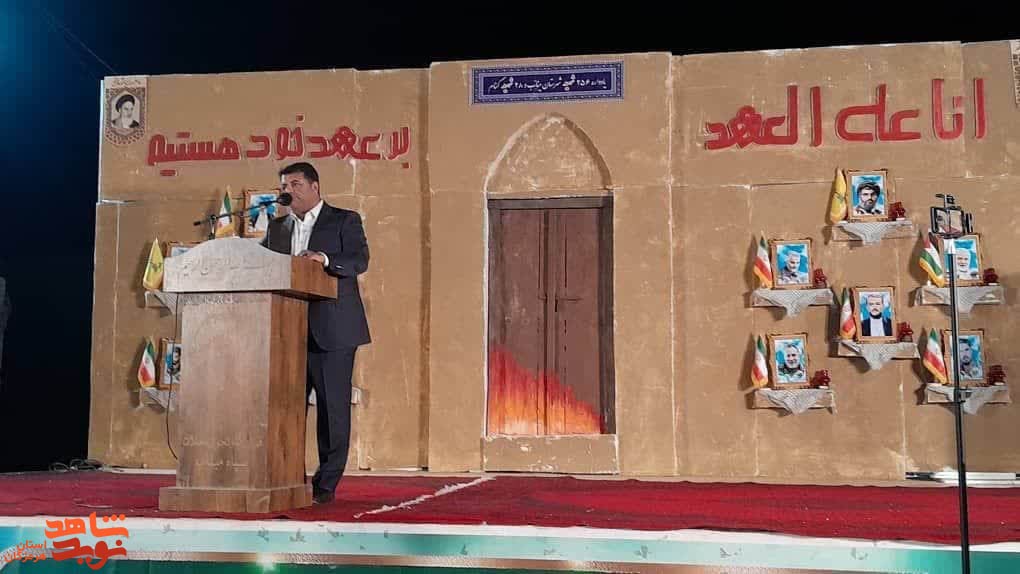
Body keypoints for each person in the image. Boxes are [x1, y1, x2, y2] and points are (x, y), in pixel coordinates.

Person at [260, 162, 370, 504]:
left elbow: (359, 260)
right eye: (284, 186)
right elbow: (262, 266)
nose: (288, 191)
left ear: (314, 187)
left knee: (332, 411)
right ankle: (287, 477)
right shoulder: (277, 228)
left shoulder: (344, 220)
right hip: (286, 332)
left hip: (333, 329)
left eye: (295, 184)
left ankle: (325, 485)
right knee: (285, 408)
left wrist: (323, 258)